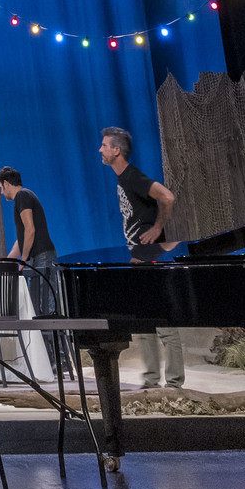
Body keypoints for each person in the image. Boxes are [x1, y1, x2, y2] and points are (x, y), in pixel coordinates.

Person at [100, 124, 184, 388]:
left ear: (116, 150)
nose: (100, 149)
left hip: (151, 257)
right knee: (145, 324)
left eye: (104, 145)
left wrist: (158, 229)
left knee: (165, 323)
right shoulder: (122, 178)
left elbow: (167, 197)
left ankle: (174, 384)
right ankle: (151, 380)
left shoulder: (133, 176)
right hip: (139, 255)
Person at [0, 165, 64, 368]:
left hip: (42, 257)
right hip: (38, 257)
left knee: (46, 308)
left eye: (1, 187)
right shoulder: (25, 197)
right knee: (39, 307)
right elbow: (22, 237)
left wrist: (24, 259)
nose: (1, 192)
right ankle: (50, 359)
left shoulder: (22, 197)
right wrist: (10, 260)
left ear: (7, 184)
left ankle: (58, 360)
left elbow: (30, 229)